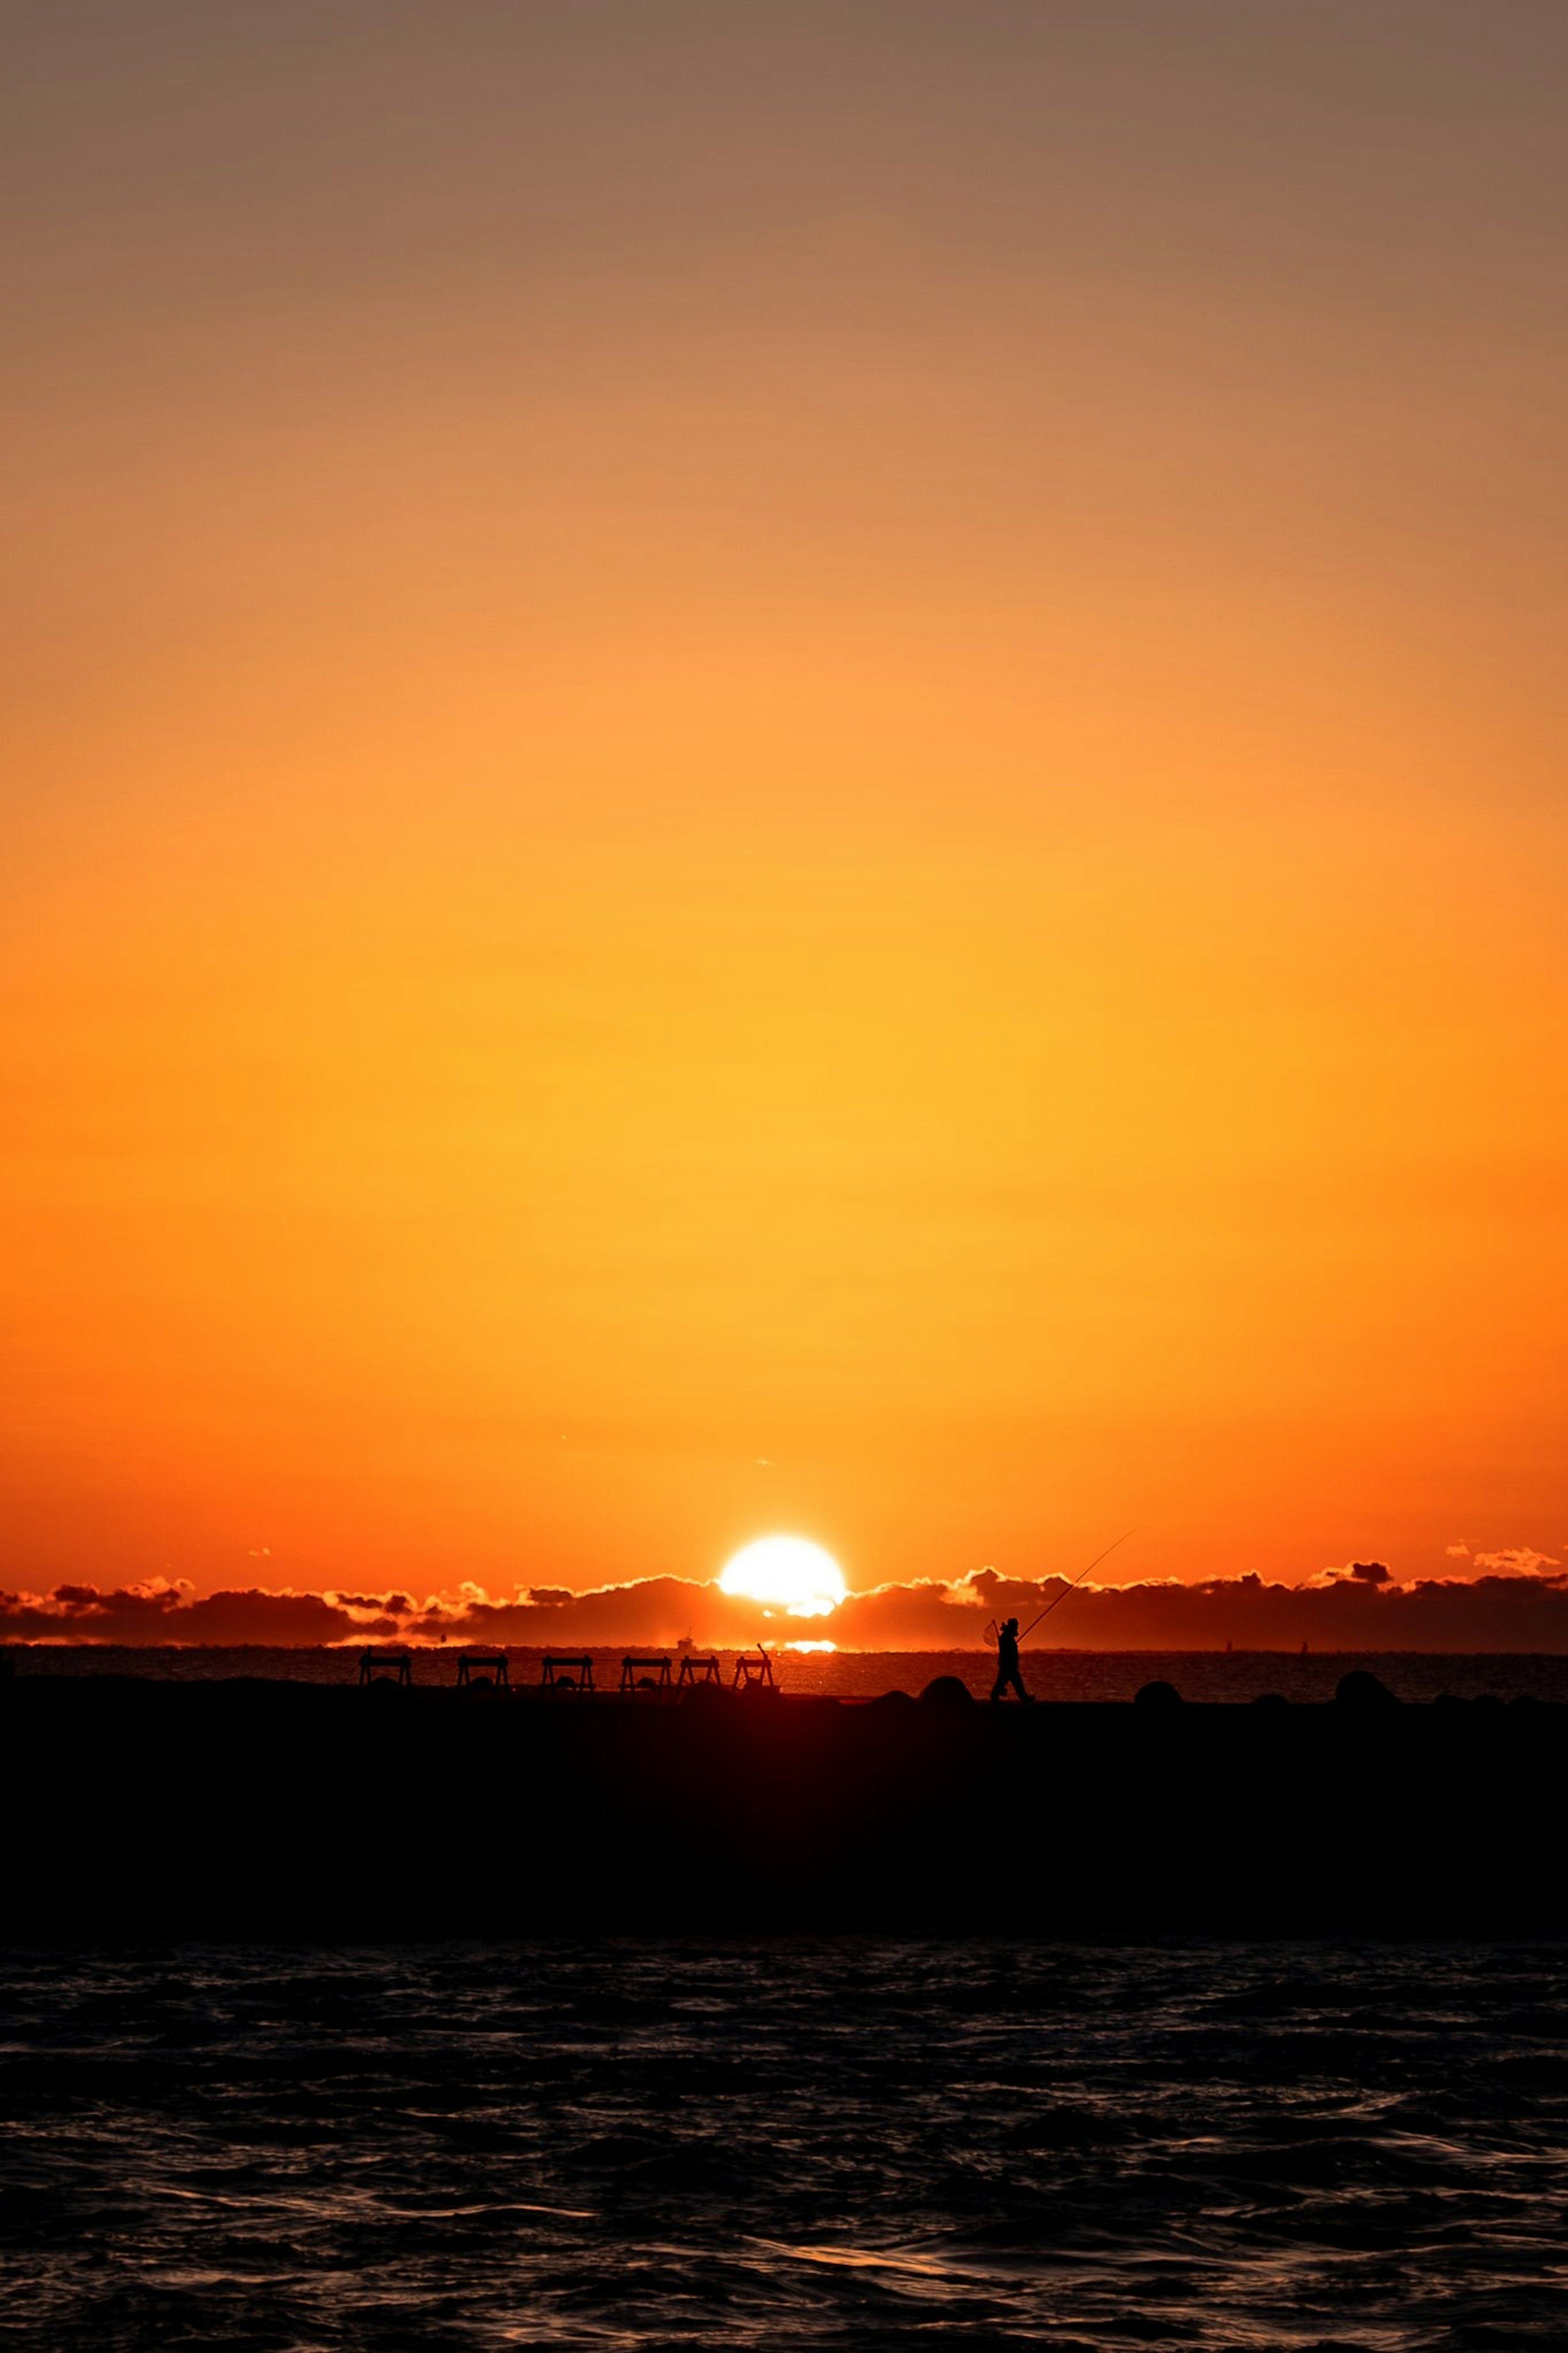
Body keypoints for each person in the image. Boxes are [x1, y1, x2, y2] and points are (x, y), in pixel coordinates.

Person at [991, 1616, 1033, 1704]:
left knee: (1004, 1682)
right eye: (1016, 1626)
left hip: (1008, 1665)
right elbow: (1008, 1652)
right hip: (1008, 1665)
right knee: (1016, 1682)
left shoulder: (1007, 1637)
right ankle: (1024, 1698)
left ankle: (995, 1695)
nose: (1017, 1628)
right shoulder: (1006, 1638)